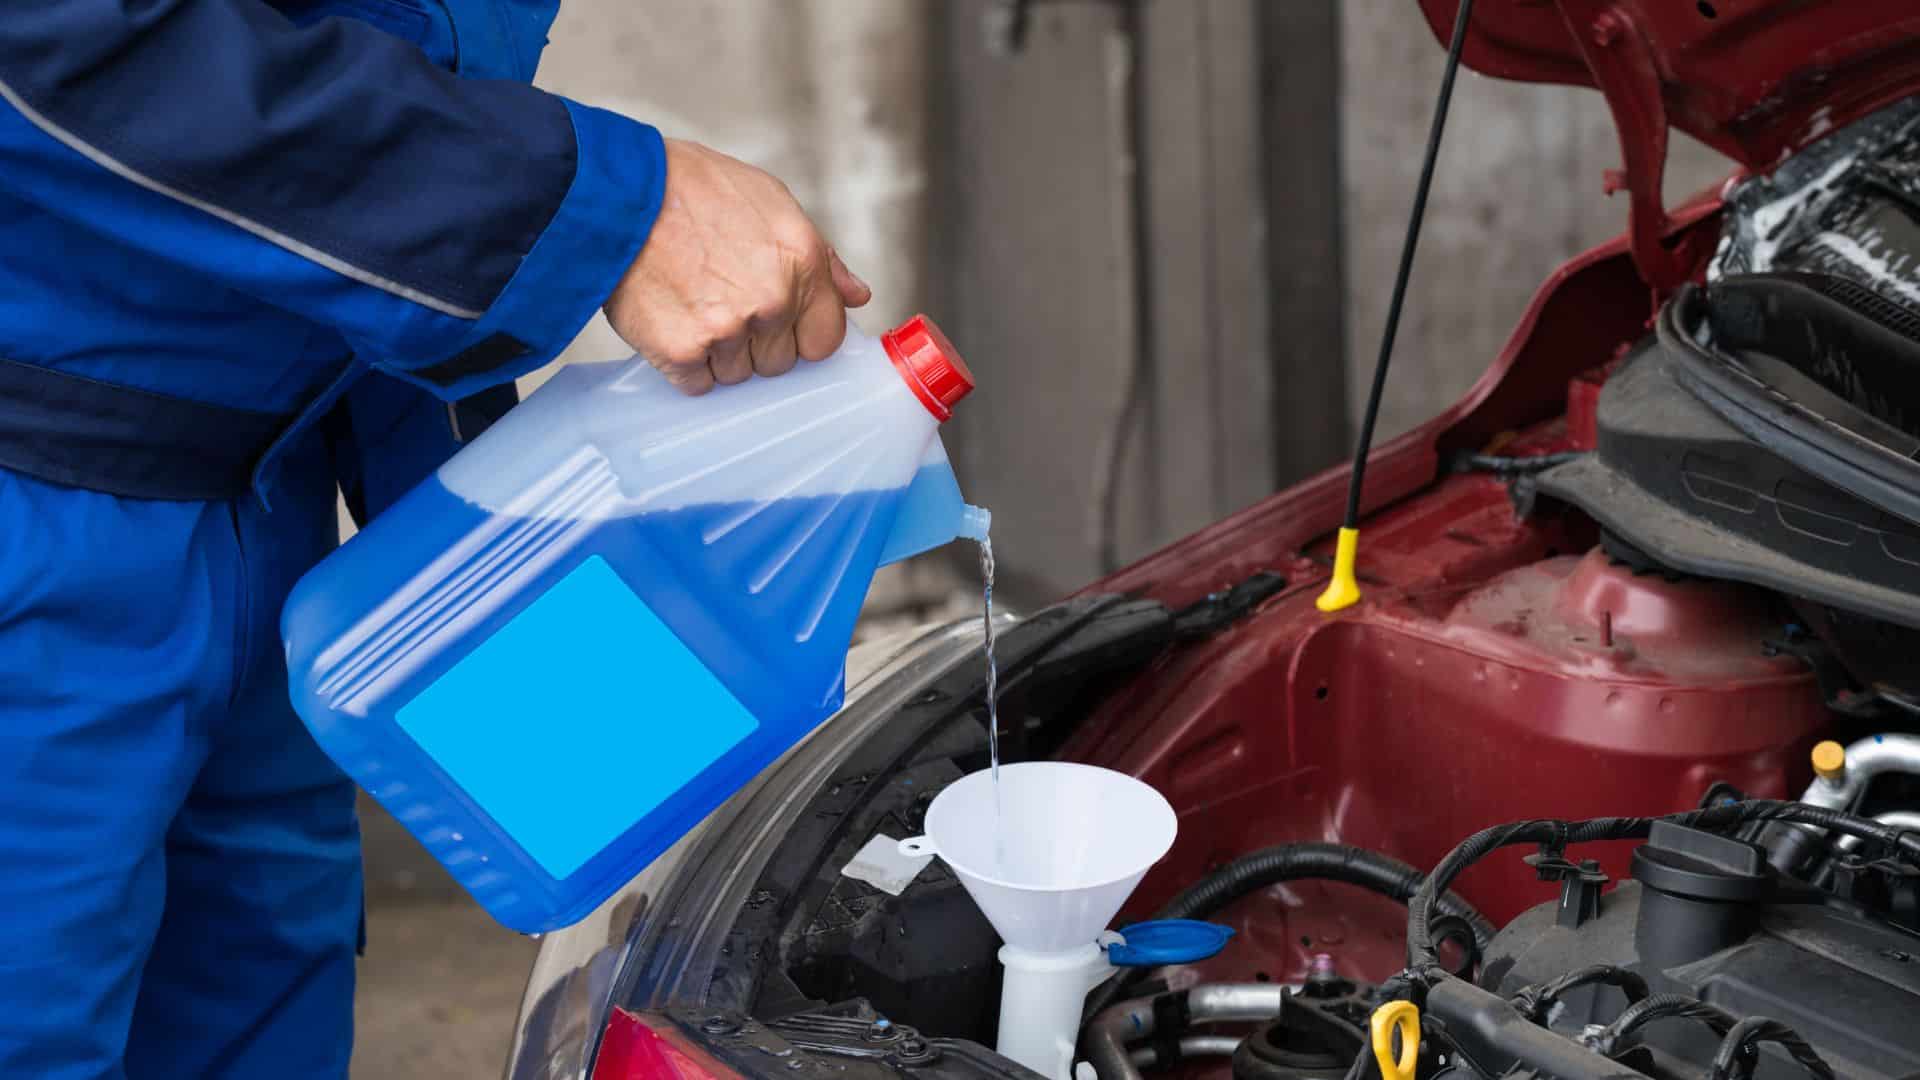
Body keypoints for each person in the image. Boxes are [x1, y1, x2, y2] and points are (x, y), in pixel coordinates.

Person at [0, 3, 871, 1076]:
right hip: (38, 499)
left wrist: (474, 518)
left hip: (274, 502)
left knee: (255, 1028)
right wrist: (608, 211)